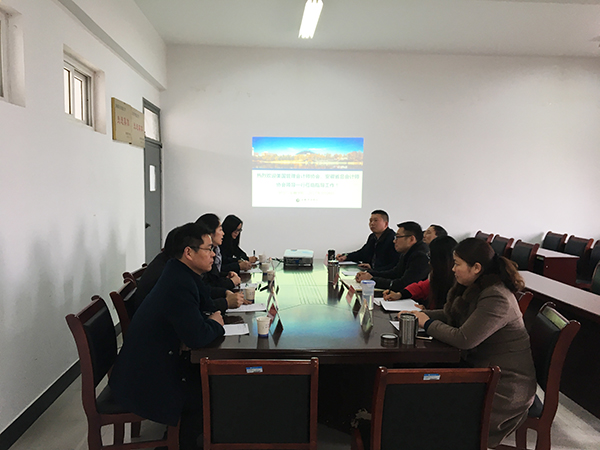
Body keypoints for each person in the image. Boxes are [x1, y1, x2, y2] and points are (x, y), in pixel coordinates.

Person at [402, 238, 536, 448]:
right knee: (419, 381)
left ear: (476, 268)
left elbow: (464, 339)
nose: (453, 269)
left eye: (457, 264)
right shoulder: (478, 286)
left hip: (503, 387)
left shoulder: (496, 296)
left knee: (426, 394)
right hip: (481, 370)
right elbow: (452, 315)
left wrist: (426, 323)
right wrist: (419, 315)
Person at [110, 222, 225, 450]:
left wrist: (209, 319)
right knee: (214, 390)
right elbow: (197, 336)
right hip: (147, 379)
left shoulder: (182, 273)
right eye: (208, 249)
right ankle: (182, 443)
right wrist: (215, 324)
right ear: (189, 253)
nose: (213, 254)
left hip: (155, 363)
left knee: (213, 383)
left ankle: (192, 439)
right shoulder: (178, 283)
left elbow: (207, 307)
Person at [383, 235, 457, 309]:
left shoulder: (458, 283)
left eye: (431, 257)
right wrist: (400, 294)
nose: (429, 262)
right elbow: (421, 288)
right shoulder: (436, 276)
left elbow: (448, 313)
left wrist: (428, 312)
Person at [355, 221, 429, 291]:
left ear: (411, 239)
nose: (394, 241)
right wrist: (369, 273)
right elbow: (394, 273)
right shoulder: (408, 252)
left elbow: (403, 284)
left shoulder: (421, 256)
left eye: (398, 237)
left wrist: (372, 280)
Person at [196, 213, 245, 307]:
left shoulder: (215, 250)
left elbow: (212, 279)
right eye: (220, 230)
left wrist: (226, 276)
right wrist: (230, 284)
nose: (223, 233)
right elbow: (205, 290)